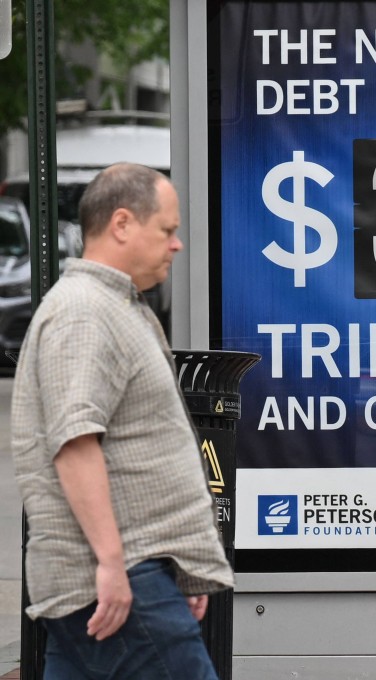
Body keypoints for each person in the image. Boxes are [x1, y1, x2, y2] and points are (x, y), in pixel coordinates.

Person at [11, 163, 233, 679]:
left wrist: (181, 565)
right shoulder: (84, 312)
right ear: (122, 224)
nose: (176, 245)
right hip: (123, 579)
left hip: (124, 576)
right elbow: (75, 442)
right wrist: (113, 565)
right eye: (168, 230)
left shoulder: (108, 306)